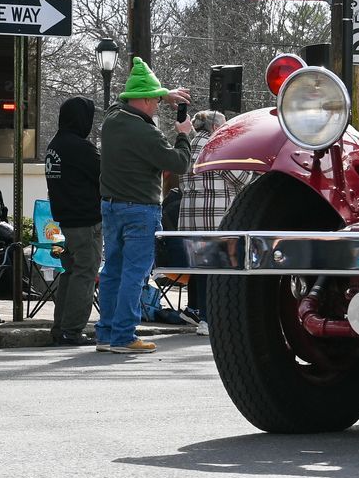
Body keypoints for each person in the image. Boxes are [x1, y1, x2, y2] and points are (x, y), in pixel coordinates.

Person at [96, 59, 196, 355]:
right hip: (140, 209)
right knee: (135, 273)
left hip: (111, 207)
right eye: (153, 99)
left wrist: (164, 94)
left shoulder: (112, 121)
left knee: (112, 270)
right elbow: (179, 163)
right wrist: (183, 134)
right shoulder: (145, 133)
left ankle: (106, 332)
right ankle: (124, 335)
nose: (156, 105)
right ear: (142, 100)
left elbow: (121, 101)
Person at [175, 110, 252, 329]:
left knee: (196, 264)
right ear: (215, 127)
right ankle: (208, 319)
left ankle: (193, 309)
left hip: (189, 214)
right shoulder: (217, 145)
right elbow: (241, 177)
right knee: (214, 266)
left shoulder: (188, 144)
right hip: (214, 214)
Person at [43, 95, 102, 348]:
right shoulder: (80, 147)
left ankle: (61, 328)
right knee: (85, 273)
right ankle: (72, 330)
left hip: (64, 220)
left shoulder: (54, 145)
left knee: (70, 272)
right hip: (85, 220)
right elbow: (104, 175)